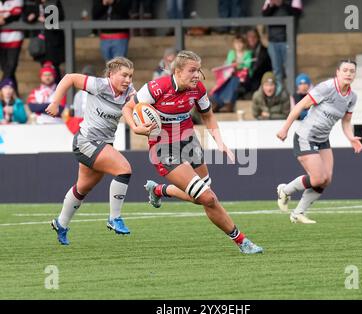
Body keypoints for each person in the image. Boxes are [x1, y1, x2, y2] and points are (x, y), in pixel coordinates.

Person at [122, 50, 263, 254]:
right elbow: (128, 107)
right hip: (163, 148)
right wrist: (135, 127)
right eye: (192, 70)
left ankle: (160, 190)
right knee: (208, 198)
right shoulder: (156, 88)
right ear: (178, 71)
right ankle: (242, 241)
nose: (197, 75)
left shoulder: (197, 89)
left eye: (199, 70)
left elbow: (208, 115)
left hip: (188, 140)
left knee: (205, 193)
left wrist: (220, 142)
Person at [45, 57, 148, 245]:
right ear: (111, 74)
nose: (128, 80)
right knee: (123, 168)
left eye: (130, 76)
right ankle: (114, 218)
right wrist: (55, 102)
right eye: (124, 75)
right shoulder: (99, 85)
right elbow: (69, 78)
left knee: (83, 187)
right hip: (86, 141)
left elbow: (140, 109)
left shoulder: (130, 94)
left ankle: (60, 223)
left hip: (104, 144)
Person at [276, 59, 362, 224]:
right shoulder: (327, 88)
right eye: (345, 70)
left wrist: (351, 138)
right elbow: (300, 106)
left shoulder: (352, 97)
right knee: (317, 178)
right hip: (305, 137)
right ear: (337, 72)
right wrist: (285, 128)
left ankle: (298, 213)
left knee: (326, 179)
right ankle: (285, 190)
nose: (348, 74)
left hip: (323, 140)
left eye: (352, 71)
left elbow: (346, 122)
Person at [23, 0, 65, 83]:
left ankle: (58, 90)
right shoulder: (34, 3)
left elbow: (61, 16)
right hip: (40, 42)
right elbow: (26, 17)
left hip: (54, 42)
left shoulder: (55, 2)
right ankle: (47, 91)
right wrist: (35, 16)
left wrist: (46, 18)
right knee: (44, 67)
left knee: (54, 67)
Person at [210, 35, 253, 113]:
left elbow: (247, 66)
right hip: (231, 75)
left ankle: (228, 103)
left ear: (244, 44)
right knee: (223, 83)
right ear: (234, 44)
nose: (238, 45)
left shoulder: (248, 53)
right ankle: (217, 103)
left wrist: (238, 66)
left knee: (234, 80)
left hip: (243, 78)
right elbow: (228, 65)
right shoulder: (231, 53)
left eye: (240, 43)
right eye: (236, 43)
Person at [239, 28, 272, 99]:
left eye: (254, 37)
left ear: (258, 38)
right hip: (245, 78)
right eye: (249, 37)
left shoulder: (264, 51)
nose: (251, 39)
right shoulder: (243, 51)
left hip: (259, 79)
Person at [0, 0, 24, 95]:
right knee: (6, 69)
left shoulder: (16, 0)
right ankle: (15, 96)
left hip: (14, 38)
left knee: (10, 68)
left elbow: (16, 14)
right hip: (1, 40)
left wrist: (4, 20)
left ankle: (3, 93)